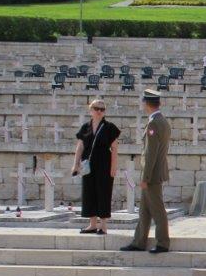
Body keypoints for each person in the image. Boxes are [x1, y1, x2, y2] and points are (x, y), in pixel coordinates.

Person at [121, 90, 170, 254]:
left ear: (146, 104)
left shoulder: (153, 124)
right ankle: (139, 241)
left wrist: (145, 177)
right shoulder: (163, 121)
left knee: (157, 209)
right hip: (156, 172)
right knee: (144, 210)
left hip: (152, 175)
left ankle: (163, 242)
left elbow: (150, 153)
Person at [71, 99, 121, 234]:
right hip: (87, 164)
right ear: (91, 110)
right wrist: (75, 164)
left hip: (104, 164)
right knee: (89, 192)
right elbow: (80, 147)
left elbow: (114, 149)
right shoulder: (85, 127)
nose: (99, 111)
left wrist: (113, 167)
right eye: (96, 108)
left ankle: (103, 226)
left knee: (103, 192)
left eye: (102, 109)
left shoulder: (110, 127)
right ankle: (92, 224)